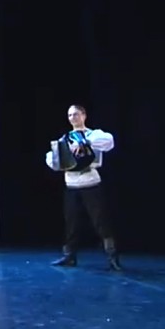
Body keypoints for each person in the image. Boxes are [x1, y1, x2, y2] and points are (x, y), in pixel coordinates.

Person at [45, 105, 120, 270]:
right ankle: (69, 255)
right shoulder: (65, 139)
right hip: (71, 185)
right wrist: (57, 160)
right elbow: (52, 158)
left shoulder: (93, 135)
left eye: (76, 114)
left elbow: (109, 142)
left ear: (84, 115)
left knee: (101, 221)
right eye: (70, 115)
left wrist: (84, 141)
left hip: (91, 183)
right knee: (71, 222)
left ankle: (112, 256)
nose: (73, 118)